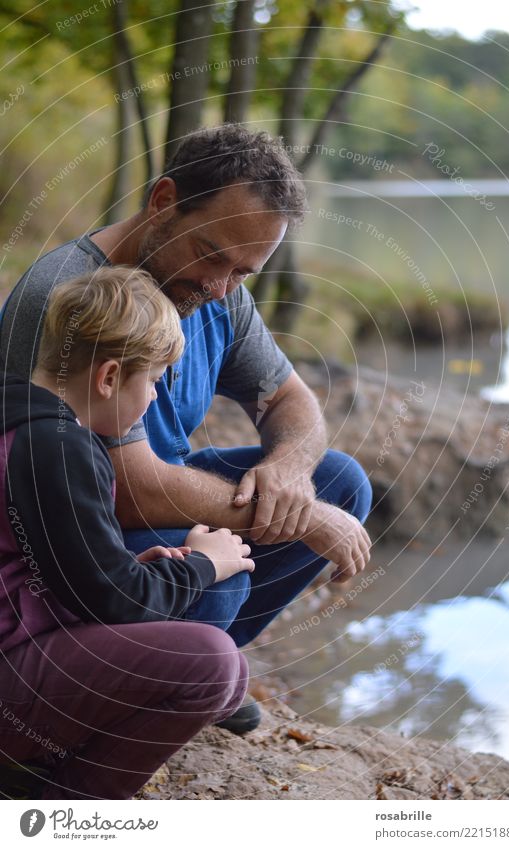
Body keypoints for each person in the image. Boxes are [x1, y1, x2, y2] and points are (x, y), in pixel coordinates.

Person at [0, 124, 372, 733]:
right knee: (215, 584)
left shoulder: (218, 290)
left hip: (151, 498)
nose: (221, 286)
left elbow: (289, 398)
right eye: (213, 257)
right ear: (164, 201)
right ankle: (161, 670)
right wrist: (299, 519)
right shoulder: (65, 294)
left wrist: (287, 472)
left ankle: (190, 666)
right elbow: (126, 487)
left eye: (244, 273)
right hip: (73, 528)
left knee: (337, 483)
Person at [0, 267, 254, 799]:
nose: (155, 397)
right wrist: (204, 563)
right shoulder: (60, 447)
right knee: (212, 664)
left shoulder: (19, 417)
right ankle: (65, 811)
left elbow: (34, 568)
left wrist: (130, 570)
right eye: (156, 381)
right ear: (110, 377)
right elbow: (118, 603)